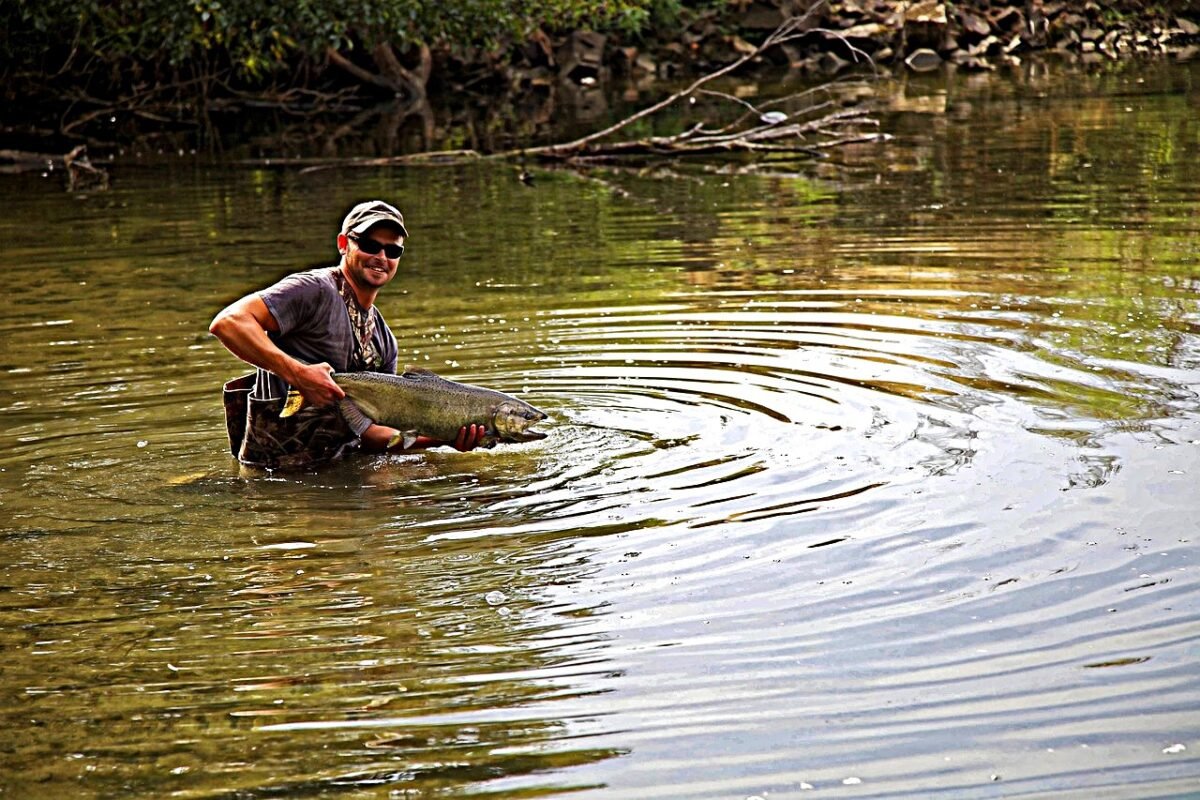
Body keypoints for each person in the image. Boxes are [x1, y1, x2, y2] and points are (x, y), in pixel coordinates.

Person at [210, 200, 485, 469]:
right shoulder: (314, 290)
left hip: (338, 470)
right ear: (343, 244)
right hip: (271, 477)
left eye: (393, 251)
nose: (381, 257)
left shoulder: (384, 341)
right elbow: (229, 322)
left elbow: (373, 434)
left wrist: (441, 438)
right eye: (369, 245)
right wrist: (298, 374)